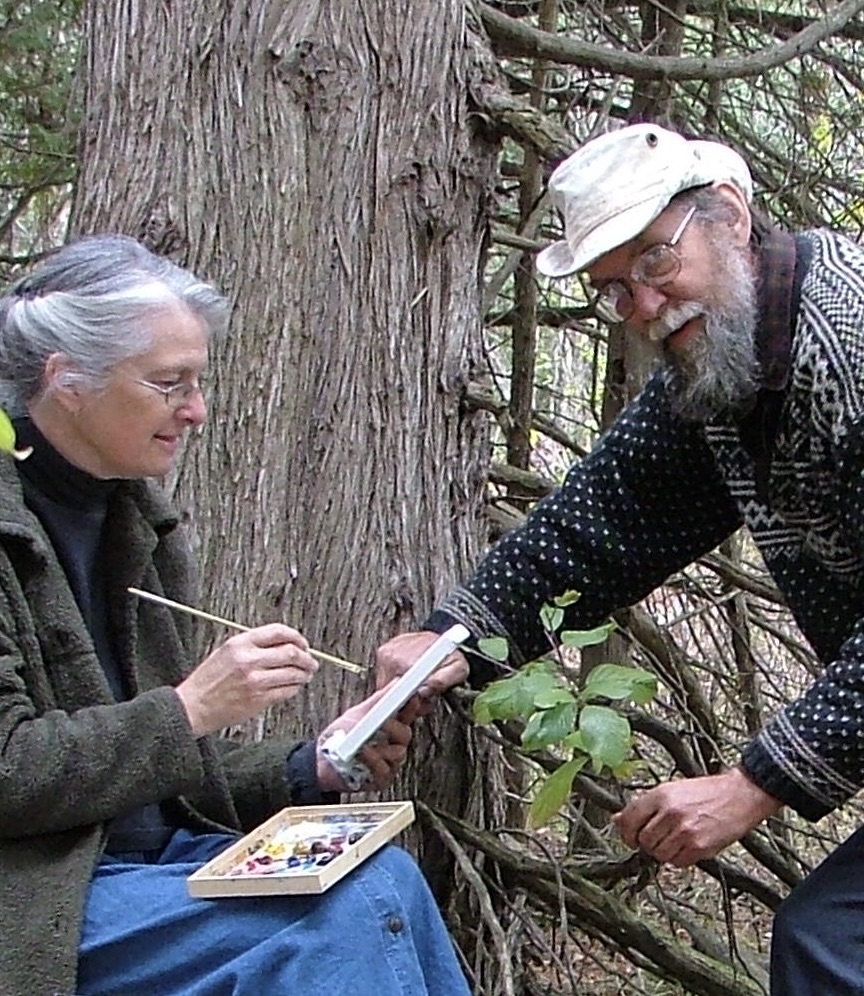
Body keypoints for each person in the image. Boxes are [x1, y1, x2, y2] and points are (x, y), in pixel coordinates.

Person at [376, 122, 864, 993]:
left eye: (655, 261)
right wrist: (456, 636)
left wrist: (756, 781)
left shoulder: (849, 338)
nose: (644, 305)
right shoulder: (730, 363)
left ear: (732, 217)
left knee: (834, 947)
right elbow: (603, 522)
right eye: (613, 289)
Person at [0, 235, 470, 996]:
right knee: (340, 917)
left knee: (385, 877)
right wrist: (190, 708)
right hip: (41, 903)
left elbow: (154, 784)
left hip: (153, 873)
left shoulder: (135, 524)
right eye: (168, 383)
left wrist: (311, 766)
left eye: (198, 381)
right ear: (68, 379)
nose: (197, 410)